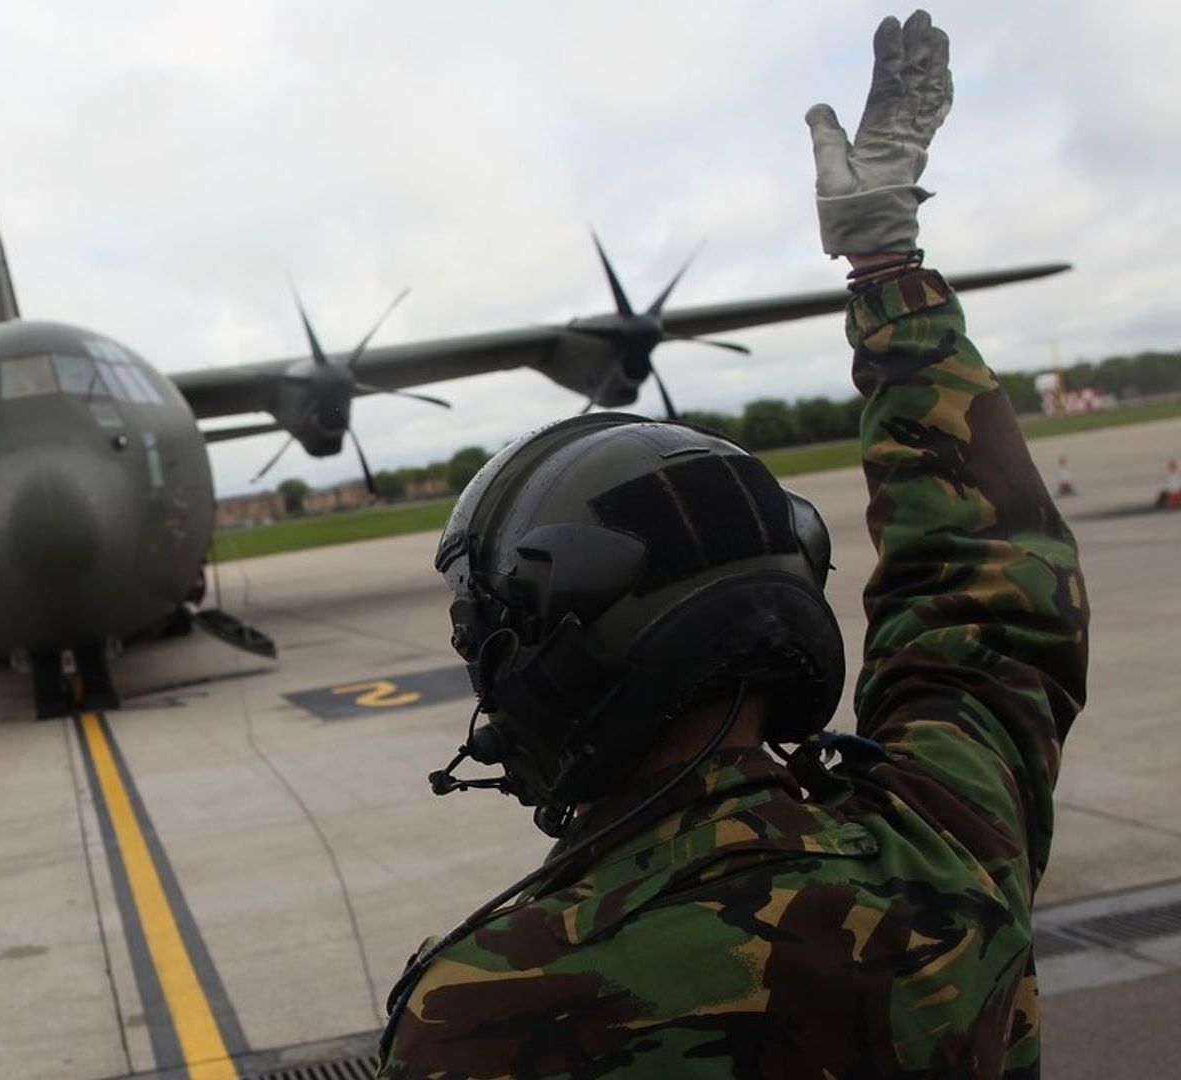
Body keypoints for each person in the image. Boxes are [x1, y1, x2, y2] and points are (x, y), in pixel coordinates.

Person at [378, 11, 1088, 1078]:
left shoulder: (483, 1013)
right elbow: (991, 599)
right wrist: (887, 266)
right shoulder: (950, 842)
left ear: (557, 667)